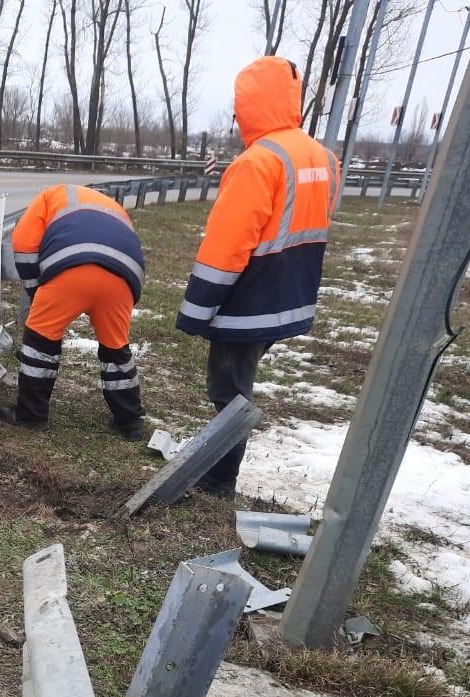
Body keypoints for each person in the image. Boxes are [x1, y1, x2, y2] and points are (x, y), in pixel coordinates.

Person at [176, 56, 340, 499]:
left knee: (228, 388)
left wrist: (197, 310)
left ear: (249, 106)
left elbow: (226, 247)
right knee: (238, 380)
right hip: (293, 292)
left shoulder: (257, 162)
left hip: (249, 300)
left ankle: (218, 481)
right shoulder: (322, 157)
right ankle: (218, 469)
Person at [0, 184, 146, 439]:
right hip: (124, 275)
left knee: (40, 339)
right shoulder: (111, 206)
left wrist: (35, 289)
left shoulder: (47, 197)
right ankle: (131, 422)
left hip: (72, 267)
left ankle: (31, 414)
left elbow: (23, 242)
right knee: (115, 348)